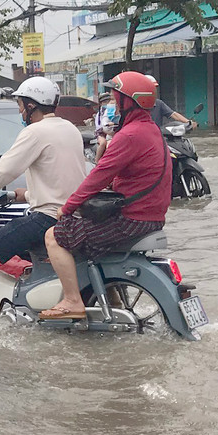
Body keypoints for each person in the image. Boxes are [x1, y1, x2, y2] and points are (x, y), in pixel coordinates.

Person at [0, 77, 87, 332]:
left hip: (47, 217)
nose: (19, 110)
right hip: (73, 214)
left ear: (31, 105)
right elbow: (61, 174)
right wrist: (24, 194)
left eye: (21, 104)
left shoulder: (35, 132)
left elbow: (2, 171)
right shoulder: (69, 128)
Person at [40, 71, 172, 320]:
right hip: (150, 217)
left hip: (131, 220)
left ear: (129, 101)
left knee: (55, 236)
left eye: (116, 97)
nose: (112, 103)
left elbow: (98, 175)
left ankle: (72, 300)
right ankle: (108, 297)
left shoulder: (130, 135)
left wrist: (67, 207)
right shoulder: (151, 130)